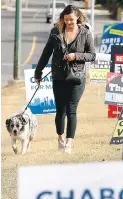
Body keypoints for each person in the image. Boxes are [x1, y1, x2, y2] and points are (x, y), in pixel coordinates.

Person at [34, 5, 96, 154]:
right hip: (59, 76)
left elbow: (92, 55)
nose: (69, 22)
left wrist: (76, 56)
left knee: (71, 110)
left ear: (78, 19)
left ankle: (69, 143)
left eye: (72, 20)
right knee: (60, 111)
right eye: (66, 19)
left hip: (77, 77)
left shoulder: (85, 33)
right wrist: (38, 72)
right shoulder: (56, 32)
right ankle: (60, 139)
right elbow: (46, 53)